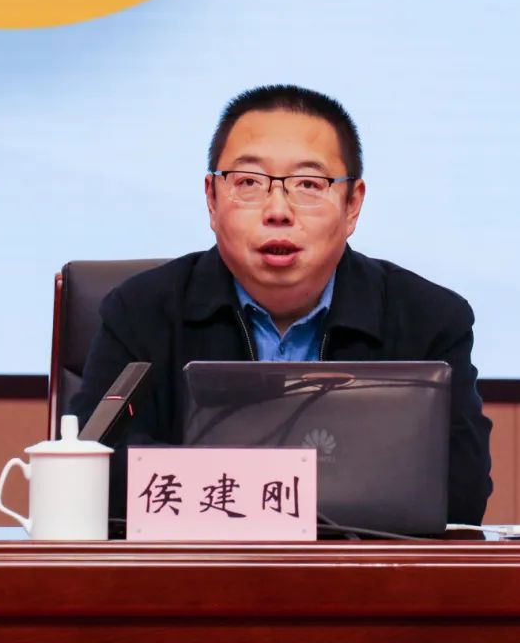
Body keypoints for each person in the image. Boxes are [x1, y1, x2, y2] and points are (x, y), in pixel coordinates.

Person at [67, 84, 493, 525]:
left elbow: (460, 494)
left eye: (309, 184)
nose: (278, 211)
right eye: (249, 182)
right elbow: (89, 473)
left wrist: (255, 488)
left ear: (352, 205)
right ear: (212, 199)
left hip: (361, 568)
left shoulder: (429, 319)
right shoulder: (140, 311)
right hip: (199, 567)